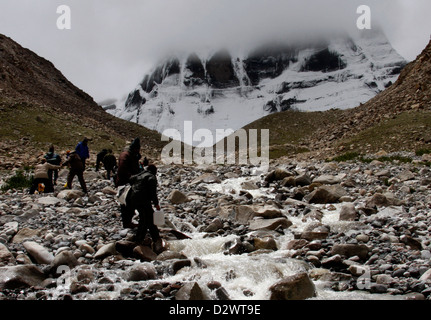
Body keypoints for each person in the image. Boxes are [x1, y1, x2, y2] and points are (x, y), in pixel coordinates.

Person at [126, 164, 163, 252]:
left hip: (133, 198)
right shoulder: (151, 177)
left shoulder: (140, 174)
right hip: (143, 199)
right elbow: (153, 193)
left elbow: (130, 179)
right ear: (155, 171)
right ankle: (140, 239)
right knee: (145, 219)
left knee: (148, 217)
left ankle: (154, 237)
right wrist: (156, 204)